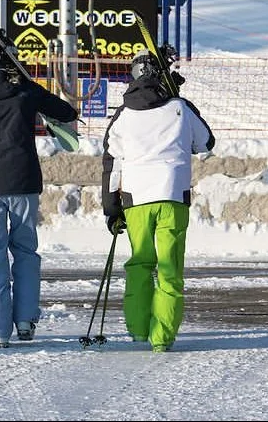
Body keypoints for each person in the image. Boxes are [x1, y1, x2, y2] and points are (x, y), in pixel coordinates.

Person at [0, 40, 79, 348]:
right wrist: (28, 85)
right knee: (25, 251)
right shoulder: (25, 89)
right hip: (22, 181)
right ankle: (25, 320)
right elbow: (67, 111)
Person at [101, 45, 215, 353]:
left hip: (136, 198)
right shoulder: (180, 107)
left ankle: (138, 328)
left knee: (139, 263)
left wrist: (112, 208)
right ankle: (162, 336)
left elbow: (112, 161)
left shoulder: (124, 115)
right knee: (169, 269)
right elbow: (206, 142)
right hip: (172, 196)